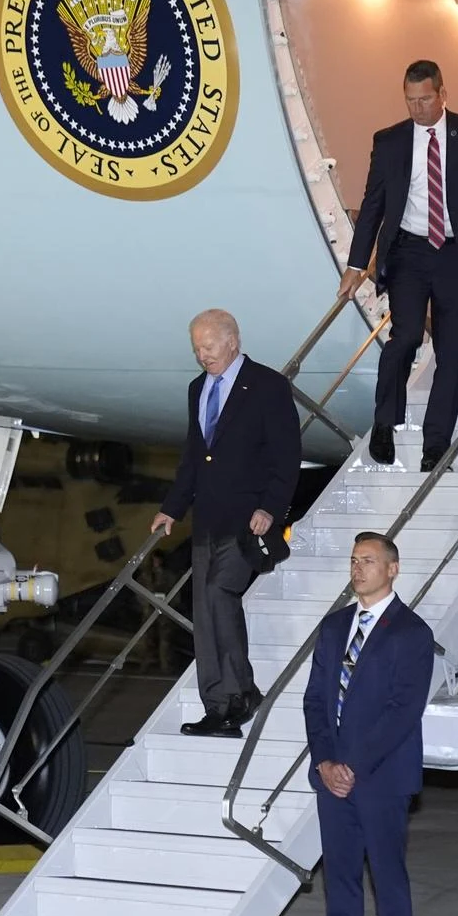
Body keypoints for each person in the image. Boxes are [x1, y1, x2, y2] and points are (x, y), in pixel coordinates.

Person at [337, 60, 458, 471]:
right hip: (408, 251)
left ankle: (436, 444)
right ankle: (385, 423)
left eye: (424, 99)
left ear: (443, 93)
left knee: (452, 352)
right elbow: (373, 206)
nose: (417, 108)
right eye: (409, 100)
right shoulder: (389, 142)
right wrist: (355, 264)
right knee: (404, 337)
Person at [289, 532, 434, 916]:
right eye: (354, 560)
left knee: (388, 881)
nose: (358, 568)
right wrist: (326, 762)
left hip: (381, 779)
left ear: (392, 569)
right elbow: (315, 701)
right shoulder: (334, 628)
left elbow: (402, 710)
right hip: (333, 779)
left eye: (368, 561)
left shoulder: (411, 632)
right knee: (341, 882)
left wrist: (355, 765)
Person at [151, 309, 301, 737]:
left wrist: (271, 508)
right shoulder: (198, 388)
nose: (202, 356)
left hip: (248, 520)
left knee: (220, 593)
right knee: (204, 610)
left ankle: (241, 693)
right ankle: (217, 705)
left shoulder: (269, 386)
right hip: (207, 519)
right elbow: (194, 456)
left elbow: (286, 455)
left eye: (209, 347)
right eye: (197, 348)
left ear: (232, 340)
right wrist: (173, 507)